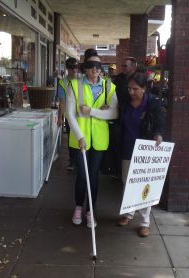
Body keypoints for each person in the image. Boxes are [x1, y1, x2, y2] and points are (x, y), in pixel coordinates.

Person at [66, 48, 118, 228]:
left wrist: (94, 112)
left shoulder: (109, 87)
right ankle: (78, 207)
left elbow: (114, 113)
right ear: (84, 68)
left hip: (99, 140)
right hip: (80, 139)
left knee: (94, 176)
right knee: (82, 175)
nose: (95, 69)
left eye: (98, 65)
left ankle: (91, 211)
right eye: (90, 65)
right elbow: (70, 114)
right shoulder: (74, 85)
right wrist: (79, 136)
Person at [117, 72, 166, 237]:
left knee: (145, 184)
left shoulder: (153, 103)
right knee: (127, 182)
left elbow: (159, 121)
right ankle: (128, 213)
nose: (131, 92)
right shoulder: (125, 100)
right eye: (129, 88)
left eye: (135, 89)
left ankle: (145, 222)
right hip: (127, 146)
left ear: (144, 88)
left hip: (145, 148)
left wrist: (158, 133)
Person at [57, 57, 78, 171]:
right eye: (71, 67)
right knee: (71, 138)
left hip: (83, 115)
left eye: (75, 67)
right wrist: (60, 117)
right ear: (67, 68)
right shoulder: (63, 82)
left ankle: (81, 160)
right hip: (70, 116)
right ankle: (73, 161)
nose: (74, 69)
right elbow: (62, 101)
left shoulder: (83, 79)